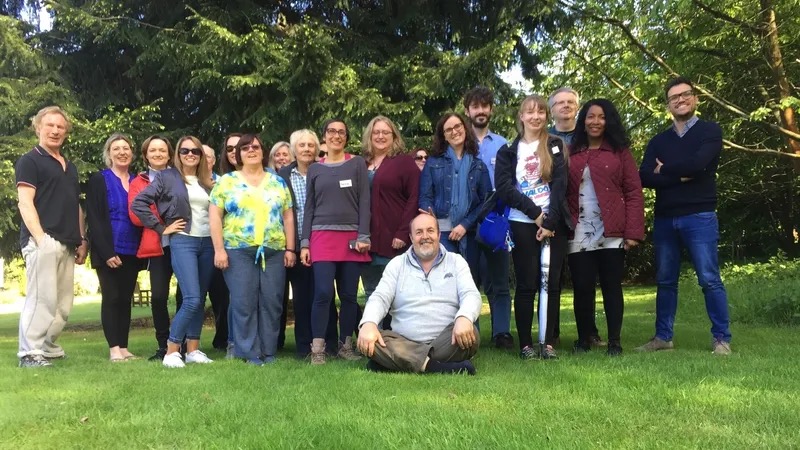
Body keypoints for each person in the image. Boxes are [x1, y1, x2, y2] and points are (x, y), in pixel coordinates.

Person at [637, 77, 732, 355]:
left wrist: (664, 170)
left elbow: (700, 165)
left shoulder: (709, 131)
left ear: (696, 98)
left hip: (700, 215)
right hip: (666, 218)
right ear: (668, 105)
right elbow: (644, 176)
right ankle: (663, 337)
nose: (680, 100)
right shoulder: (659, 141)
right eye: (674, 97)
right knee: (666, 280)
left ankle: (721, 339)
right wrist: (682, 175)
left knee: (709, 278)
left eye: (685, 94)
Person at [356, 212, 481, 375]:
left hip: (447, 340)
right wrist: (369, 323)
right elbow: (380, 298)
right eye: (419, 232)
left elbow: (471, 294)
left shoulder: (456, 261)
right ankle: (435, 367)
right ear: (411, 237)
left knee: (471, 334)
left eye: (430, 230)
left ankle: (397, 361)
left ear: (438, 234)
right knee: (373, 339)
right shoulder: (397, 264)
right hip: (404, 341)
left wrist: (464, 317)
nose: (425, 236)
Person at [495, 95, 571, 360]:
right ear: (522, 116)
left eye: (540, 112)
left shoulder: (556, 146)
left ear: (546, 117)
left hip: (553, 224)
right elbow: (504, 189)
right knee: (527, 285)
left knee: (550, 284)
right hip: (522, 222)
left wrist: (549, 221)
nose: (535, 116)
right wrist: (535, 214)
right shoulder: (508, 150)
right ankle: (526, 344)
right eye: (530, 112)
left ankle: (547, 343)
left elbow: (561, 186)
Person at [567, 99, 645, 356]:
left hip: (612, 230)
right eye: (590, 116)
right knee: (582, 287)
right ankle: (583, 339)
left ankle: (614, 341)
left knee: (612, 285)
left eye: (601, 117)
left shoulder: (620, 152)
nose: (595, 122)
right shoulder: (572, 151)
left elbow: (634, 191)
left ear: (608, 120)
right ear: (583, 120)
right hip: (579, 230)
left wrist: (633, 232)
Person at [210, 134, 295, 365]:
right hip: (238, 250)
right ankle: (248, 352)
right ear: (238, 154)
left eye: (255, 146)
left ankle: (268, 352)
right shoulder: (226, 182)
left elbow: (288, 217)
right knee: (243, 303)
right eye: (245, 148)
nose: (251, 150)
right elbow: (215, 217)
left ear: (262, 151)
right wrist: (219, 250)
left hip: (274, 250)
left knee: (272, 302)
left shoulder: (277, 181)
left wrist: (290, 249)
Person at [131, 135, 216, 368]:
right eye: (185, 151)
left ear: (201, 156)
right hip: (183, 241)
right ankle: (171, 350)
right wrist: (161, 228)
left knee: (199, 299)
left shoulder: (207, 181)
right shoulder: (168, 177)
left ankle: (193, 350)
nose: (190, 154)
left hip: (207, 243)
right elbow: (138, 203)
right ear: (177, 154)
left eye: (195, 151)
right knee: (191, 298)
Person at [15, 106, 89, 368]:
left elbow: (74, 205)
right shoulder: (30, 160)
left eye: (60, 127)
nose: (55, 130)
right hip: (43, 240)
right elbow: (25, 203)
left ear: (66, 132)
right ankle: (29, 353)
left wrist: (81, 239)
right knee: (41, 299)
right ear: (38, 128)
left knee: (63, 304)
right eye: (50, 125)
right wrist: (40, 239)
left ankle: (48, 347)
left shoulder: (70, 167)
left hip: (68, 242)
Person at [300, 118, 371, 364]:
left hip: (352, 238)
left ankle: (345, 346)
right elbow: (309, 207)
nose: (336, 136)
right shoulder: (315, 169)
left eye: (341, 132)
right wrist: (305, 242)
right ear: (325, 137)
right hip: (321, 237)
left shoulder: (357, 164)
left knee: (349, 295)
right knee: (322, 293)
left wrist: (364, 234)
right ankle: (318, 348)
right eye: (332, 131)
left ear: (346, 137)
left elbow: (364, 201)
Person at [279, 129, 340, 358]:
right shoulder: (283, 176)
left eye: (310, 145)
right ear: (294, 149)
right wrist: (289, 247)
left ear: (317, 148)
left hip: (324, 242)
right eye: (301, 145)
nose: (306, 149)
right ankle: (305, 347)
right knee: (303, 297)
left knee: (324, 294)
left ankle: (330, 344)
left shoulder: (325, 171)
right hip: (295, 245)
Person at [464, 85, 513, 350]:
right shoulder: (461, 142)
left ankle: (502, 333)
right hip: (467, 222)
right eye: (475, 106)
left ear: (491, 110)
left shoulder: (503, 144)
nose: (480, 111)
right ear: (467, 110)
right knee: (468, 280)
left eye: (485, 106)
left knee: (499, 280)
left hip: (496, 219)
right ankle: (471, 333)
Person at [86, 133, 143, 362]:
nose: (122, 152)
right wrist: (107, 252)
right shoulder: (99, 179)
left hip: (132, 249)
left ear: (132, 152)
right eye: (116, 148)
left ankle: (125, 347)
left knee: (125, 298)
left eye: (126, 148)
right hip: (109, 249)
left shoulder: (138, 180)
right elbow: (95, 217)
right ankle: (114, 349)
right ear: (109, 154)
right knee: (111, 297)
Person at [419, 113, 491, 287]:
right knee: (444, 284)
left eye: (457, 126)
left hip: (470, 232)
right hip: (441, 233)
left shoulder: (478, 165)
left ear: (465, 128)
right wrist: (428, 212)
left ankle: (469, 316)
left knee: (468, 284)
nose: (454, 131)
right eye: (448, 129)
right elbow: (424, 196)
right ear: (443, 135)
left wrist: (465, 224)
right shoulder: (433, 163)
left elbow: (486, 201)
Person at [360, 116, 420, 322]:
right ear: (369, 135)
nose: (380, 136)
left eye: (386, 132)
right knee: (371, 291)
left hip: (393, 239)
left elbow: (414, 199)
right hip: (367, 240)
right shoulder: (361, 163)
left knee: (395, 294)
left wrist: (403, 232)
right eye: (376, 132)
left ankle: (396, 341)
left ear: (394, 136)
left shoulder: (404, 163)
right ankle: (373, 339)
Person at [128, 135, 176, 361]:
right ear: (146, 154)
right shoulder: (138, 182)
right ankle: (163, 344)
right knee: (158, 297)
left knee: (187, 296)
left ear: (169, 154)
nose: (157, 154)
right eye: (153, 150)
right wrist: (164, 224)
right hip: (157, 247)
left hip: (182, 244)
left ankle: (182, 343)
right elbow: (136, 215)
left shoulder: (179, 176)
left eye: (162, 150)